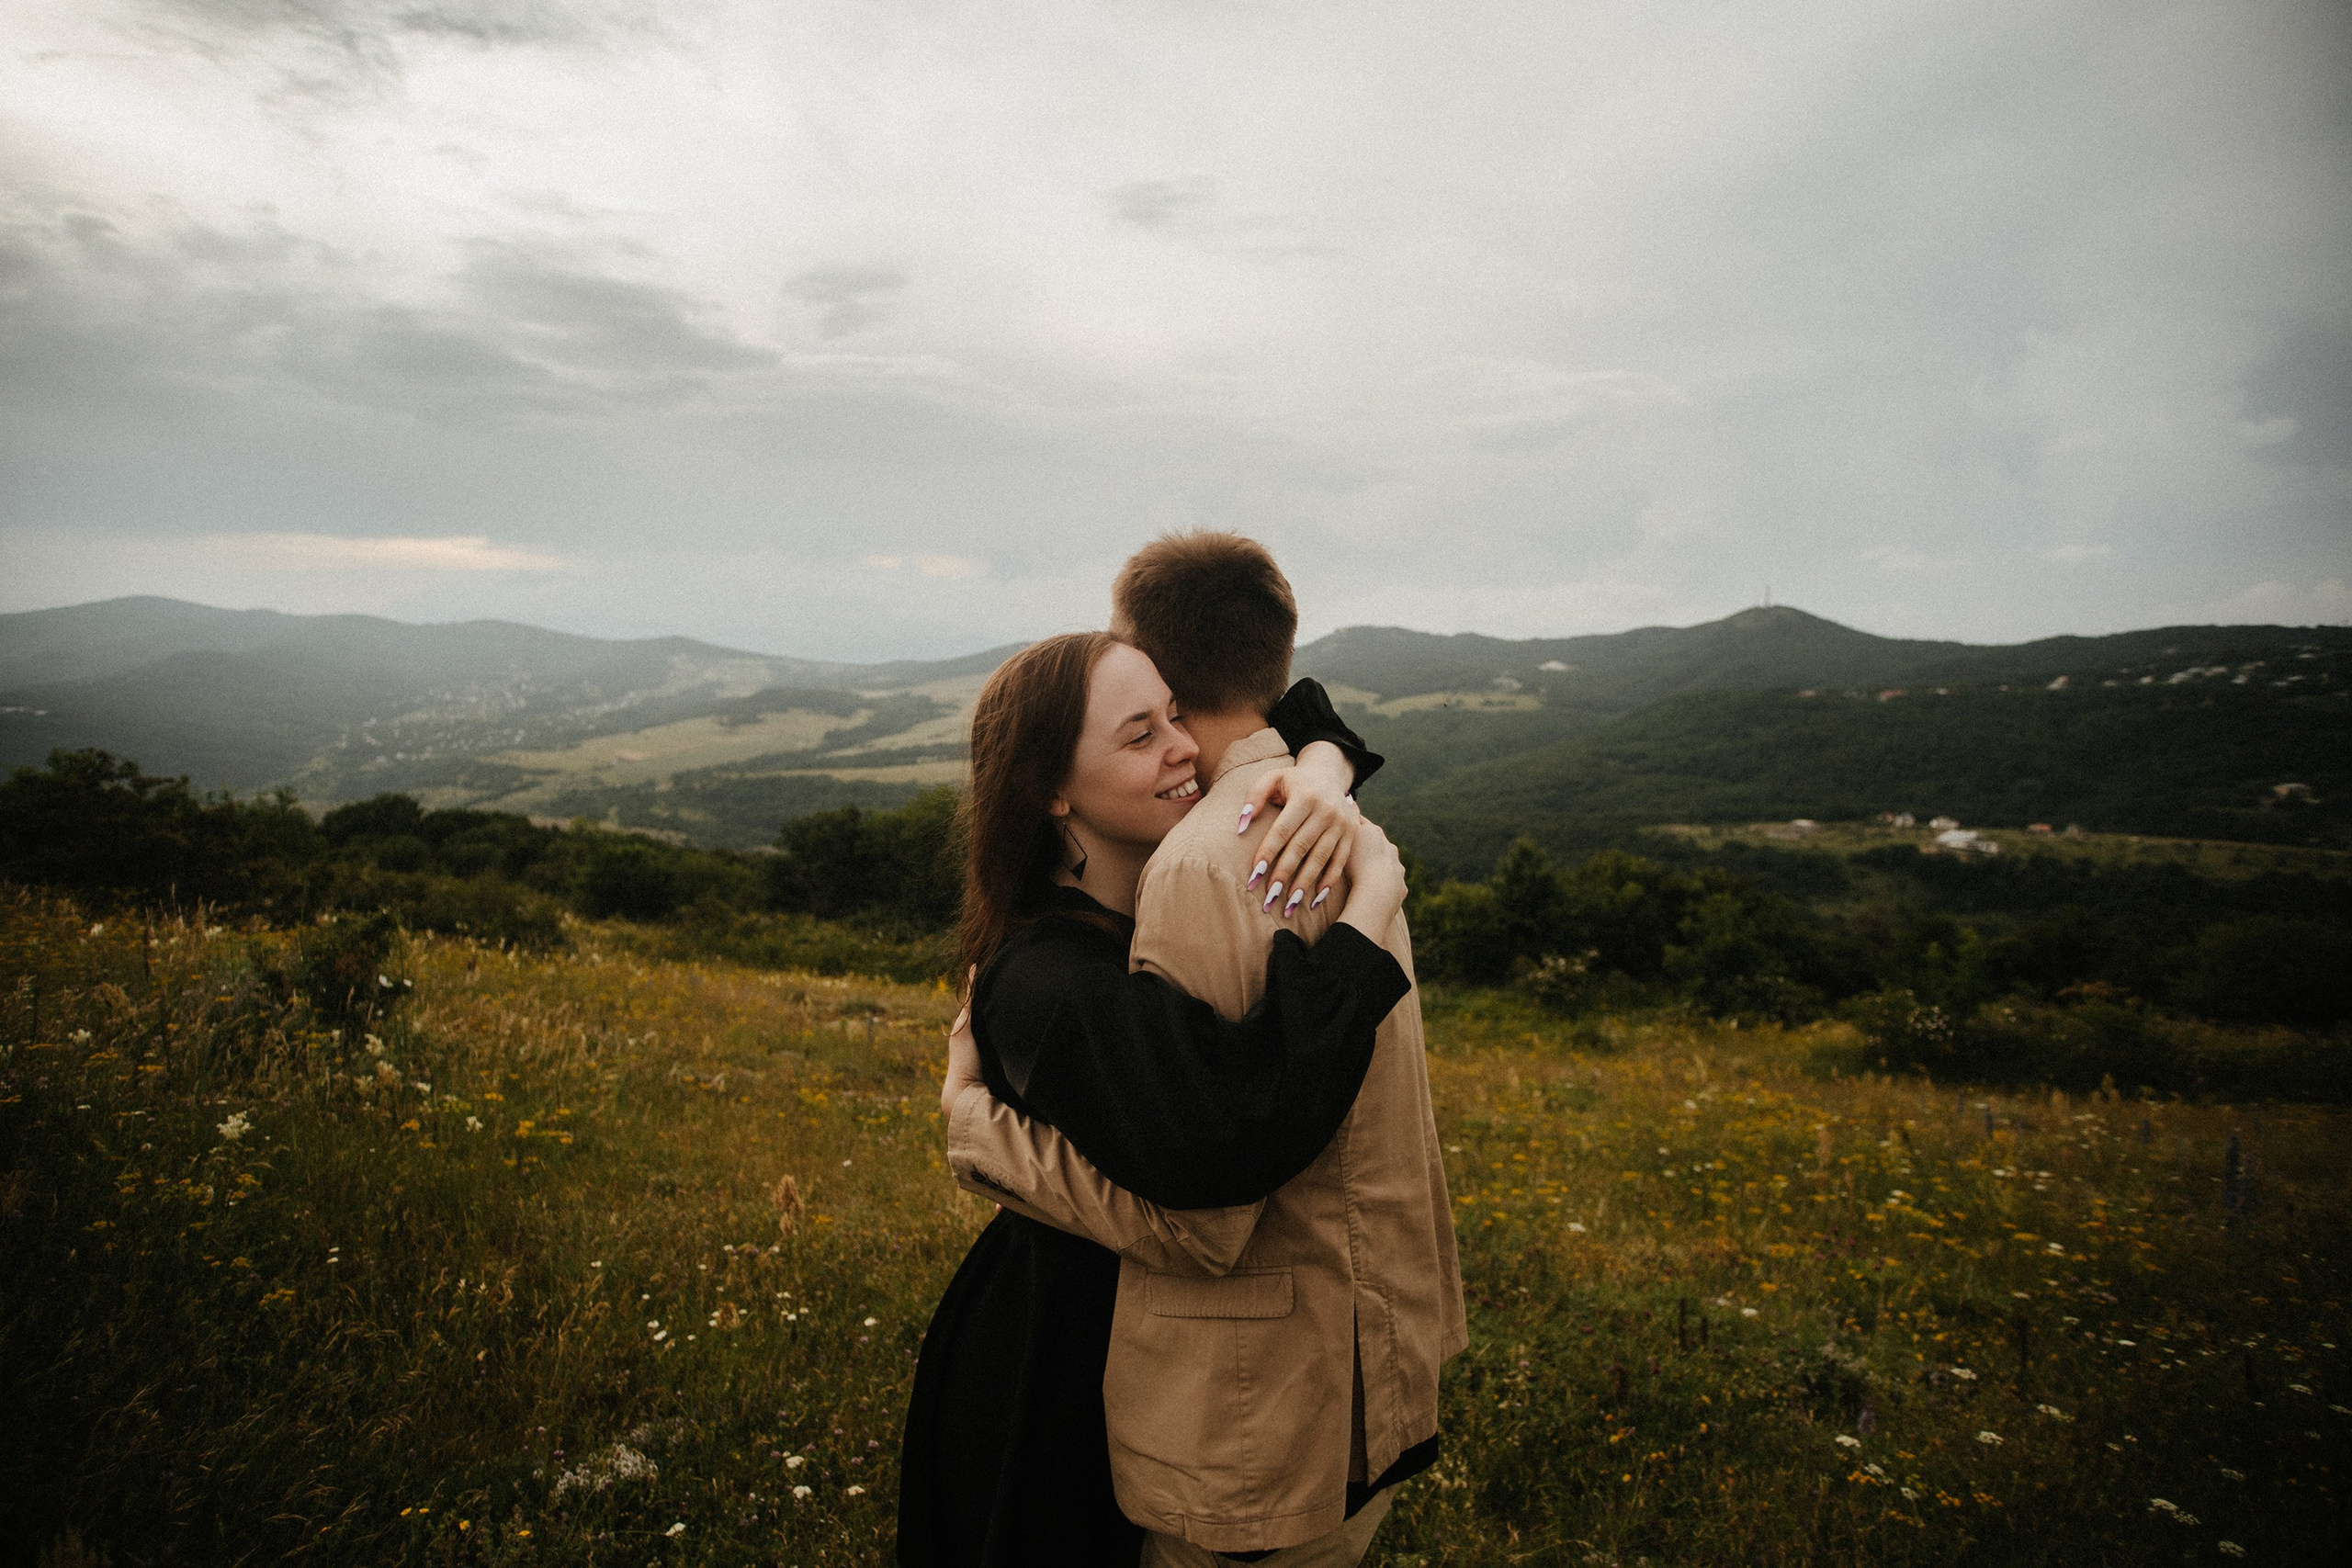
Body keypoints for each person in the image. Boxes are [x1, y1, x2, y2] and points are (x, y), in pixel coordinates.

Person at [943, 533, 1464, 1565]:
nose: (1180, 747)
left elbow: (1219, 1168)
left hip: (1248, 1412)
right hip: (1069, 1373)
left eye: (1172, 714)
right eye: (1142, 732)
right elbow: (1212, 1180)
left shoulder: (1229, 852)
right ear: (1052, 786)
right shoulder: (1057, 970)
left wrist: (1325, 760)